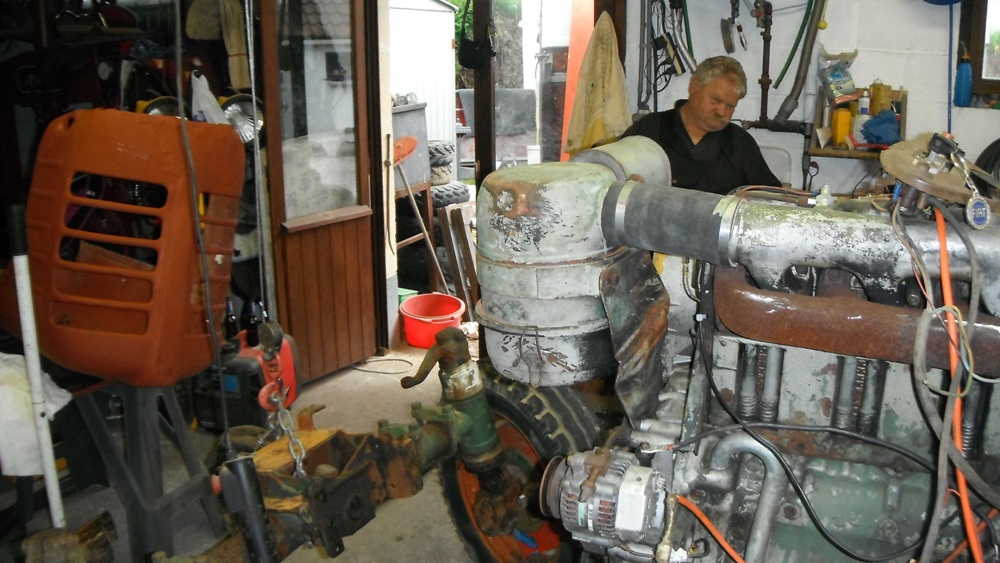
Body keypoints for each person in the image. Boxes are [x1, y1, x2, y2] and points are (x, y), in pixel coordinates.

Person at [621, 55, 780, 195]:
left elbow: (769, 198)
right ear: (694, 86)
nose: (721, 111)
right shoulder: (650, 129)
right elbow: (611, 178)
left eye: (730, 106)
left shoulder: (740, 143)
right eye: (716, 100)